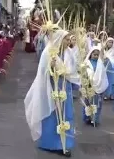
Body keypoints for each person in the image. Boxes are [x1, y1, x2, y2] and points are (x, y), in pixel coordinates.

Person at [24, 29, 79, 157]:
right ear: (59, 39)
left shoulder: (69, 52)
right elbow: (43, 73)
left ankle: (65, 143)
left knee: (66, 115)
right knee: (53, 116)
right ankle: (52, 144)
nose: (68, 41)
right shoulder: (48, 53)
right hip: (53, 89)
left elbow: (72, 70)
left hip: (66, 88)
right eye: (66, 38)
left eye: (68, 38)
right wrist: (52, 68)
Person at [82, 45, 108, 126]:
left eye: (97, 55)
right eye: (94, 55)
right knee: (88, 103)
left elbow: (103, 75)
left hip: (98, 86)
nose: (96, 56)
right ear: (90, 54)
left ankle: (95, 119)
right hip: (89, 85)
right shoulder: (86, 63)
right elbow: (83, 73)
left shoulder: (100, 63)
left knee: (97, 104)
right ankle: (87, 117)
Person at [103, 37, 114, 101]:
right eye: (109, 42)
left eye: (112, 42)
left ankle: (112, 94)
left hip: (112, 68)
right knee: (105, 80)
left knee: (112, 81)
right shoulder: (103, 49)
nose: (110, 43)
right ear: (106, 42)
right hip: (105, 67)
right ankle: (106, 95)